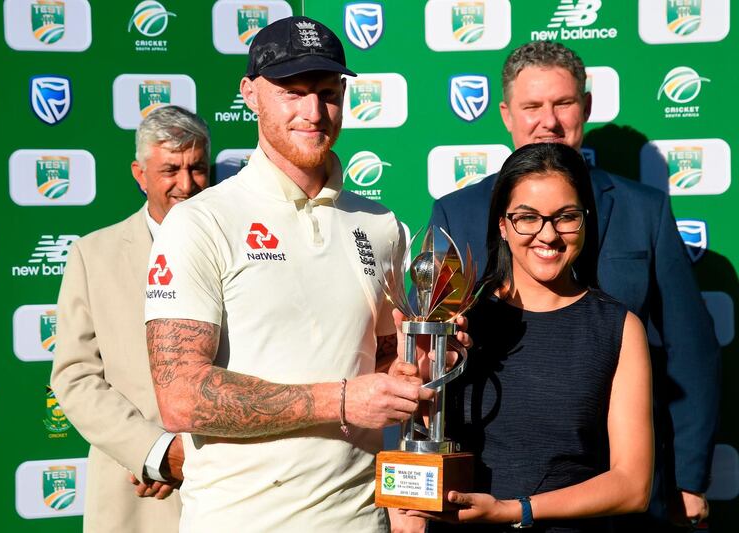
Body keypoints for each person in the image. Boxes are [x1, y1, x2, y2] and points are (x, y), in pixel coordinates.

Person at [143, 16, 461, 533]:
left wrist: (414, 365)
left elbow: (381, 358)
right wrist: (340, 399)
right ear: (249, 94)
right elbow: (180, 397)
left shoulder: (380, 225)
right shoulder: (202, 221)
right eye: (292, 92)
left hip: (361, 520)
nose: (314, 112)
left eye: (328, 93)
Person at [429, 41, 719, 530]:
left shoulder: (643, 208)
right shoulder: (456, 213)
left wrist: (689, 478)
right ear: (505, 114)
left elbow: (690, 348)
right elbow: (429, 360)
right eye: (532, 106)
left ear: (584, 107)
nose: (549, 120)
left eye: (563, 103)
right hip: (493, 475)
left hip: (626, 479)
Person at [409, 142, 653, 532]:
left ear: (585, 220)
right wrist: (424, 379)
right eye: (527, 217)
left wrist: (515, 510)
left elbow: (632, 486)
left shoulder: (618, 327)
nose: (548, 234)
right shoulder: (458, 322)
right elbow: (421, 438)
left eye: (566, 217)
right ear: (502, 225)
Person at [51, 105, 210, 532]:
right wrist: (154, 453)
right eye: (170, 169)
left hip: (229, 486)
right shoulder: (93, 256)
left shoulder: (249, 249)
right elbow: (75, 377)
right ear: (139, 174)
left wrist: (192, 456)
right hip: (136, 494)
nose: (186, 184)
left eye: (197, 168)